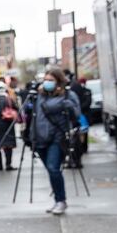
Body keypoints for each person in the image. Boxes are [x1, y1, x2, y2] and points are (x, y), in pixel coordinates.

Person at [30, 68, 81, 215]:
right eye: (45, 80)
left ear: (59, 82)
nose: (47, 83)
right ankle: (58, 199)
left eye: (51, 80)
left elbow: (76, 114)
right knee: (52, 171)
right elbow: (34, 117)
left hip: (57, 138)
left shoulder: (68, 95)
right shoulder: (39, 96)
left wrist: (66, 105)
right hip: (40, 139)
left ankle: (61, 201)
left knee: (53, 168)